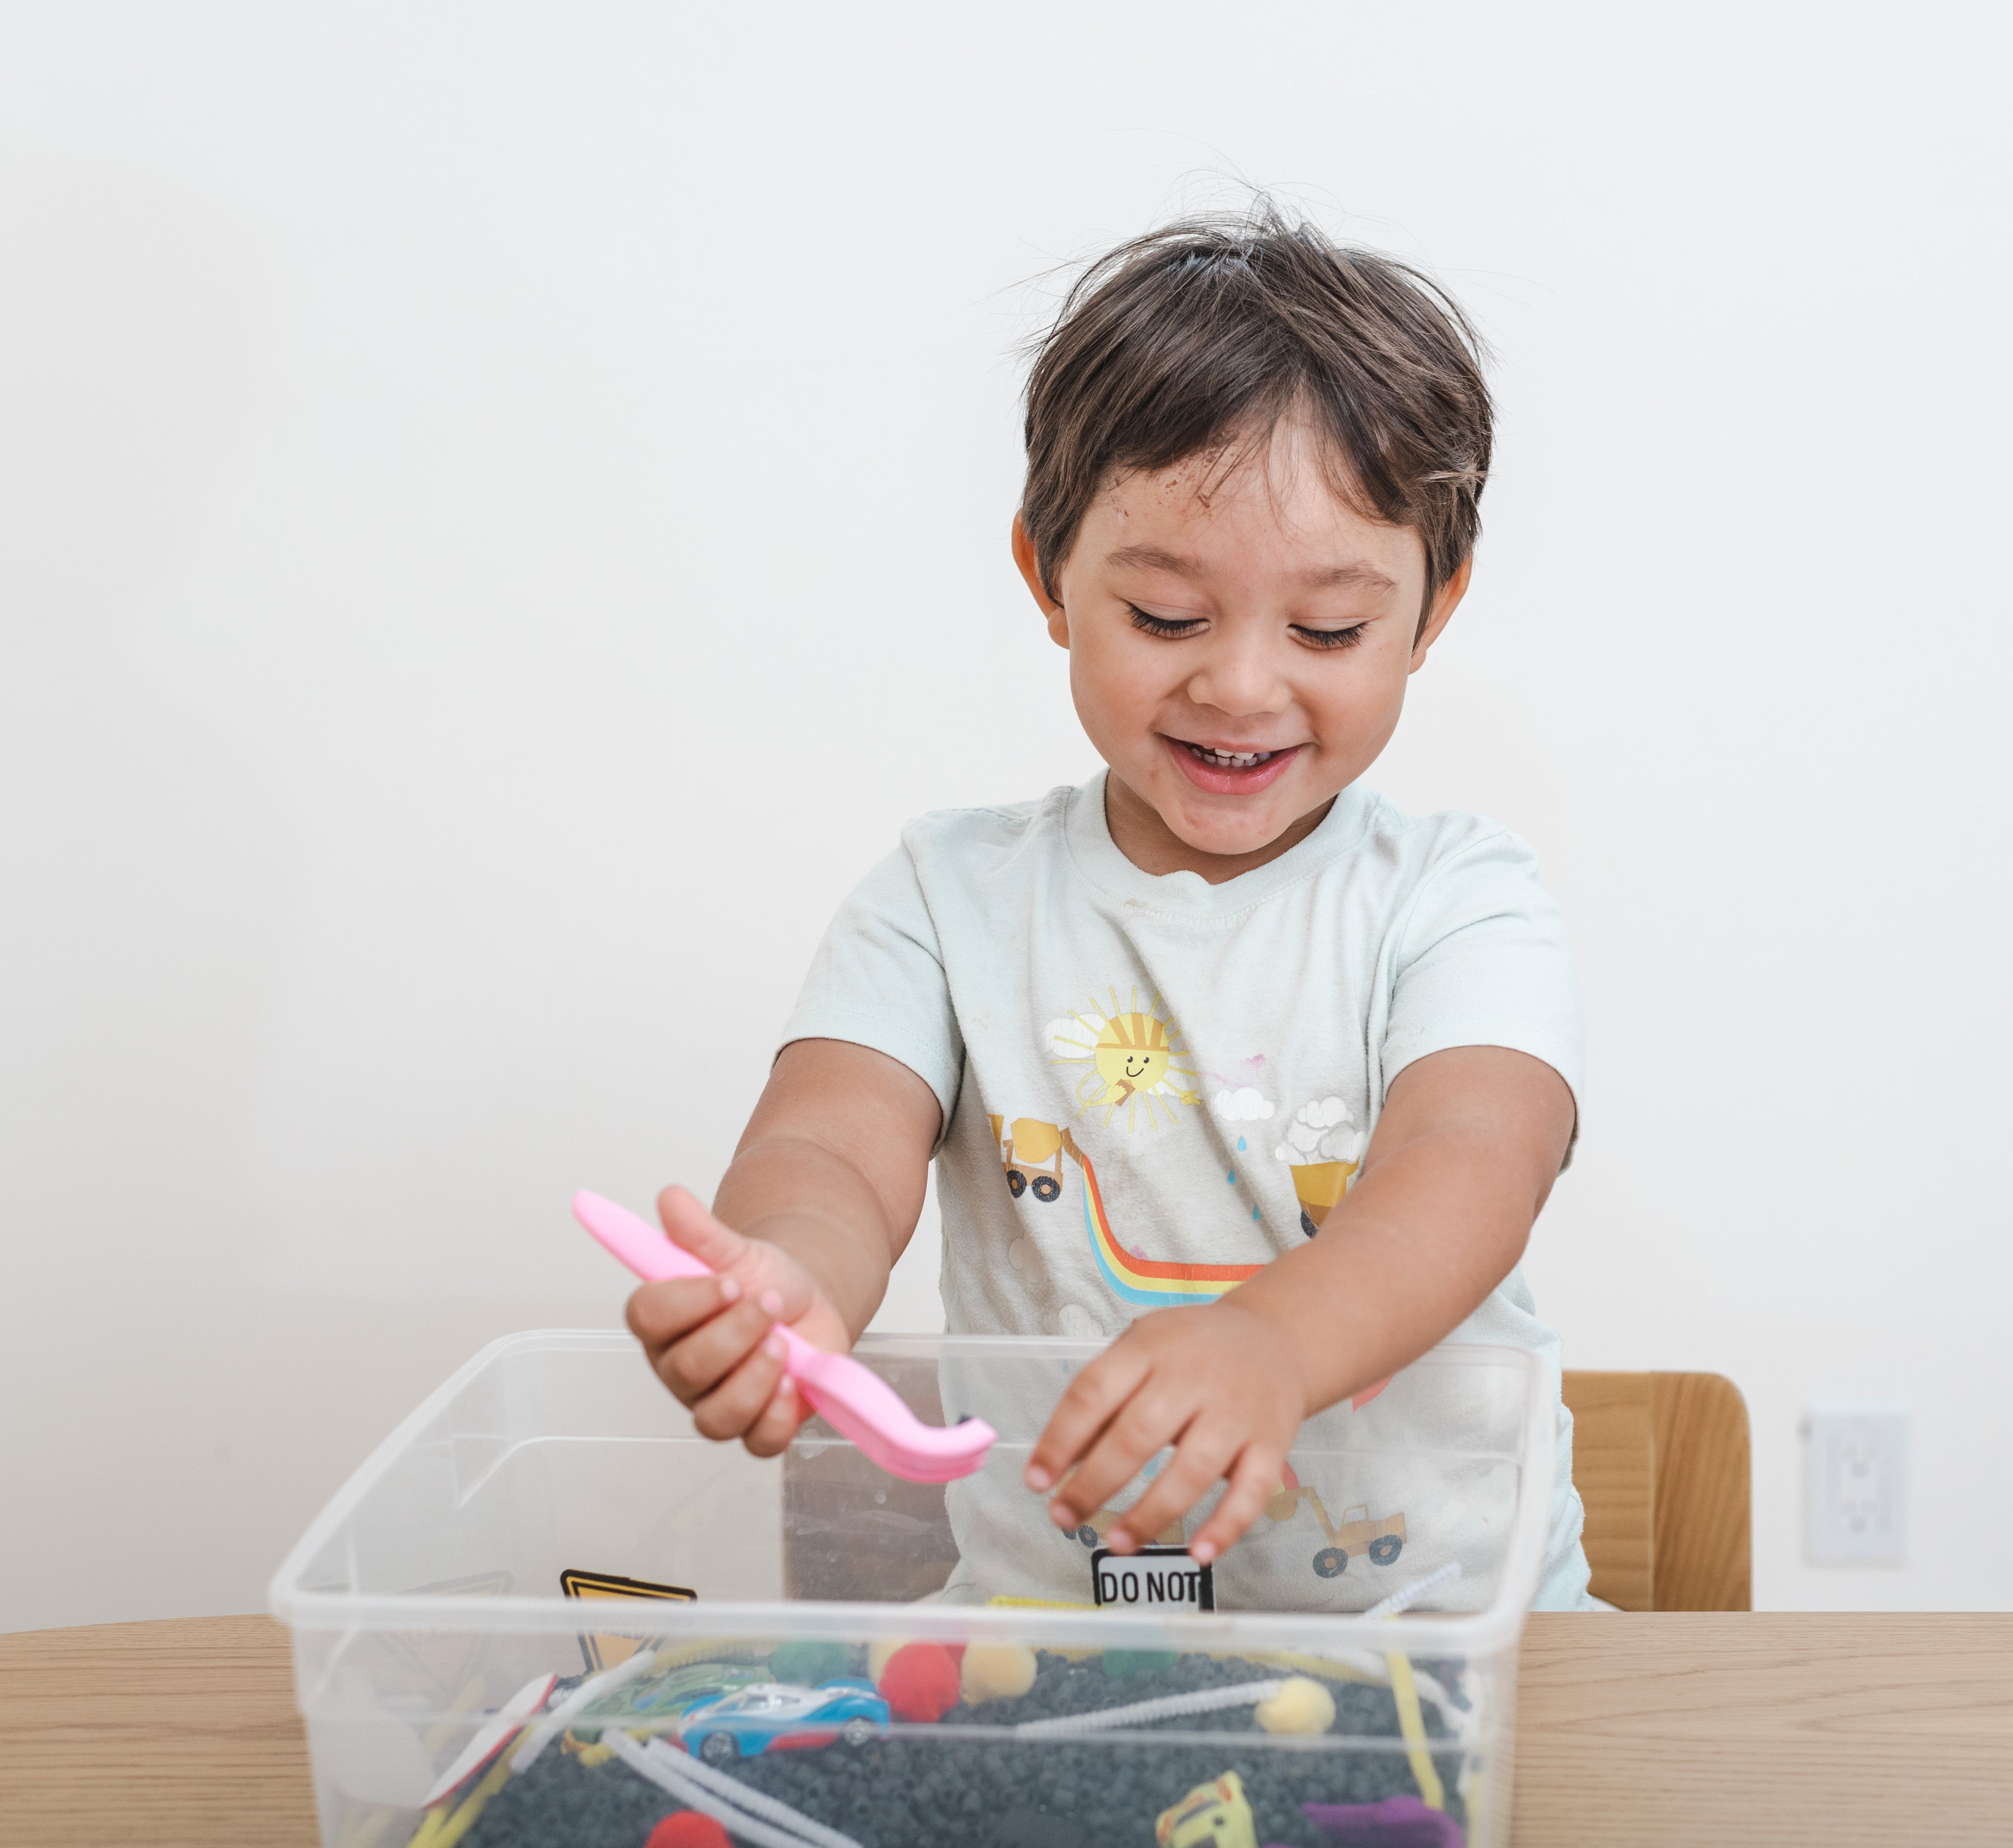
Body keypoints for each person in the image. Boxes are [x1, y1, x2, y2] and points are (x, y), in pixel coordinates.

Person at [619, 202, 1599, 1609]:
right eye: (1166, 617)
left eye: (1327, 630)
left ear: (1431, 612)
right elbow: (832, 1144)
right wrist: (787, 1278)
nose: (1244, 686)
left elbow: (1466, 1173)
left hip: (1453, 1637)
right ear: (1048, 578)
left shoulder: (1460, 901)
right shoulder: (946, 898)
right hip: (1061, 1650)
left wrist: (1271, 1341)